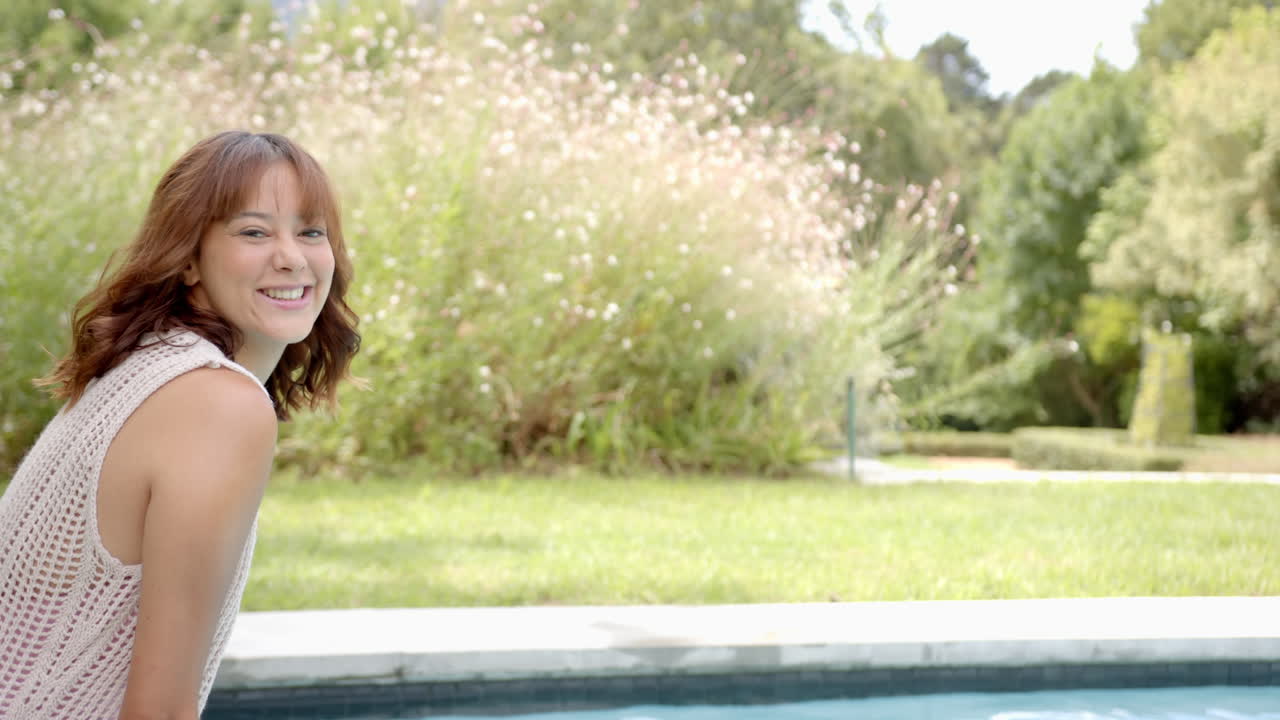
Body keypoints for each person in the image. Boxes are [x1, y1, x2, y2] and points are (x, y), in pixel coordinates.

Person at [0, 130, 360, 719]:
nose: (291, 257)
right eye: (254, 232)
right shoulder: (215, 403)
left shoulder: (149, 364)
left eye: (311, 232)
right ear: (188, 258)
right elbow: (159, 710)